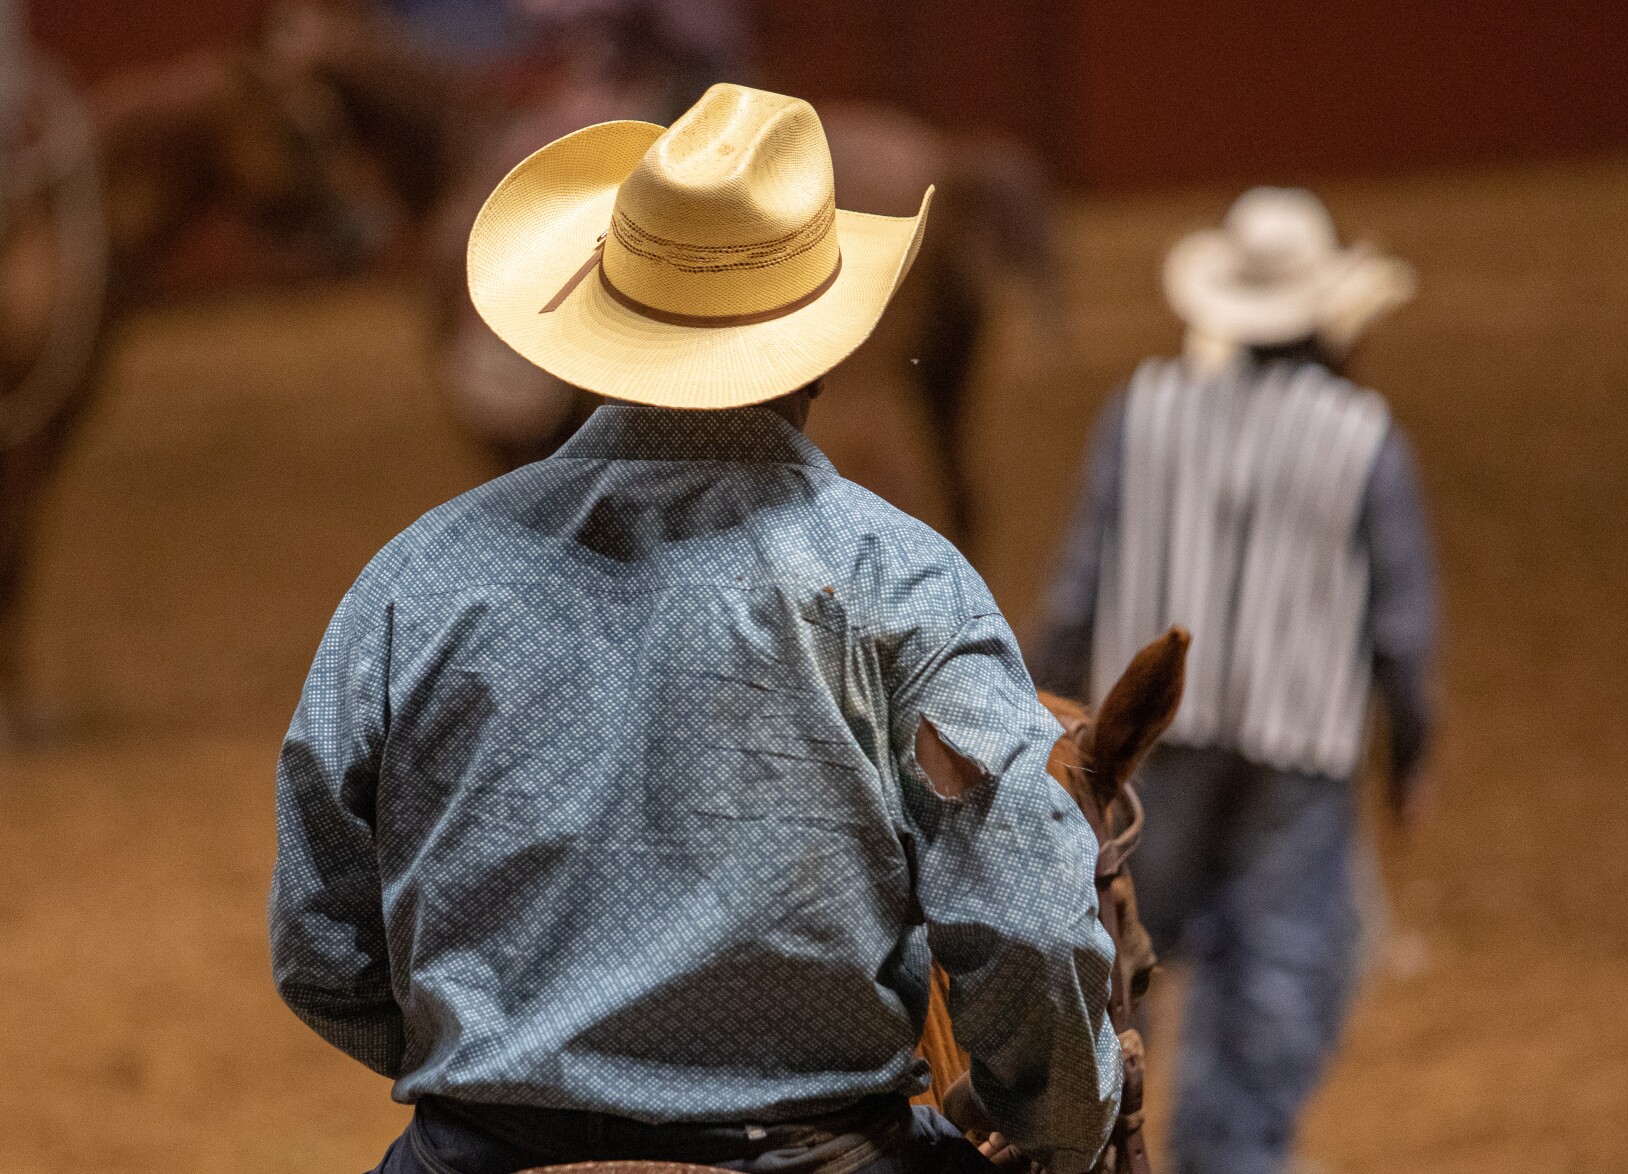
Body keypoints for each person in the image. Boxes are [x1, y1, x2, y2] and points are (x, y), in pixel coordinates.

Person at [270, 84, 1121, 1174]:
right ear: (822, 348)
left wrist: (495, 1060)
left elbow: (318, 940)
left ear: (596, 319)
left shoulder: (414, 580)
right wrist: (1052, 1121)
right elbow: (1030, 922)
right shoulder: (902, 584)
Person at [1031, 187, 1438, 1174]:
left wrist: (1040, 722)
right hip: (1297, 757)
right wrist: (1410, 755)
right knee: (1273, 976)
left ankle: (1090, 1148)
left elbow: (1077, 591)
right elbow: (1400, 626)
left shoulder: (1144, 407)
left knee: (1116, 961)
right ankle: (1233, 1156)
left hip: (1147, 754)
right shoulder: (1362, 433)